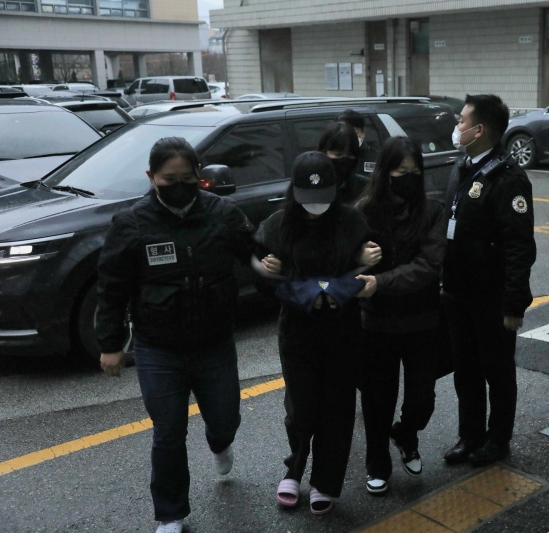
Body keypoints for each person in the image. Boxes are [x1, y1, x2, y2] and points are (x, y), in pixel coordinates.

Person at [96, 137, 255, 533]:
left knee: (225, 420)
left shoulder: (223, 214)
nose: (179, 187)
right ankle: (170, 514)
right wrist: (110, 345)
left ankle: (220, 442)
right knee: (168, 432)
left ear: (199, 175)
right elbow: (112, 287)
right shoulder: (131, 223)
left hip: (214, 343)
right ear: (151, 177)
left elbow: (257, 254)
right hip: (158, 348)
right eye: (170, 180)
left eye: (188, 179)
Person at [254, 151, 381, 515]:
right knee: (301, 406)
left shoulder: (352, 220)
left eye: (323, 197)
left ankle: (325, 481)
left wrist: (358, 265)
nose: (316, 207)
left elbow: (368, 272)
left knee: (337, 407)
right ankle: (294, 468)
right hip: (297, 330)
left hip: (343, 328)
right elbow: (263, 283)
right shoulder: (277, 225)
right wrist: (271, 271)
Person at [441, 94, 537, 467]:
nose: (457, 126)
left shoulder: (508, 178)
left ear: (479, 130)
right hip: (458, 292)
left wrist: (514, 303)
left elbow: (519, 247)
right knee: (465, 370)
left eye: (462, 121)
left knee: (497, 372)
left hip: (491, 297)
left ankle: (497, 439)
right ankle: (470, 435)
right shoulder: (462, 166)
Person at [355, 136, 447, 495]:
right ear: (384, 172)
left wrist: (380, 282)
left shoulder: (432, 211)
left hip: (422, 321)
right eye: (400, 171)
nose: (408, 178)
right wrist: (359, 261)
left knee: (422, 399)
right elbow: (344, 259)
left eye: (414, 171)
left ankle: (406, 434)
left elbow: (429, 266)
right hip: (376, 323)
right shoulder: (363, 212)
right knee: (377, 400)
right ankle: (377, 463)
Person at [317, 121, 369, 205]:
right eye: (338, 154)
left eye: (349, 155)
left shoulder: (365, 188)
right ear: (324, 152)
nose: (344, 159)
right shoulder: (312, 183)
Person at [337, 109, 379, 178]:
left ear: (363, 132)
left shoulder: (376, 158)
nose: (351, 136)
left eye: (354, 132)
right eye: (345, 132)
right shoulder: (333, 156)